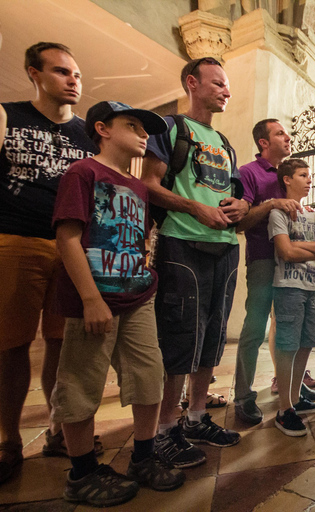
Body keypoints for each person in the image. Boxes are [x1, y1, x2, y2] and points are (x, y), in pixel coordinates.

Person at [51, 101, 184, 506]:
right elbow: (68, 237)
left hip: (136, 294)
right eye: (133, 126)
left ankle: (142, 456)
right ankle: (82, 472)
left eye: (146, 130)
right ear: (103, 129)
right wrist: (90, 298)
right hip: (95, 297)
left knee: (148, 374)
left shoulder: (140, 187)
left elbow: (138, 239)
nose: (145, 135)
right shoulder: (84, 172)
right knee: (81, 383)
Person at [0, 42, 99, 484]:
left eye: (76, 73)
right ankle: (8, 439)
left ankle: (60, 431)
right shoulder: (8, 116)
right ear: (34, 75)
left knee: (63, 345)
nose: (73, 80)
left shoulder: (88, 134)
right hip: (16, 240)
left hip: (70, 248)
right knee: (10, 345)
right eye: (61, 72)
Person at [142, 57, 248, 467]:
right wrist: (194, 209)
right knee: (181, 333)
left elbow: (235, 193)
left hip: (223, 246)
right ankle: (166, 428)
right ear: (192, 83)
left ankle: (197, 416)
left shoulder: (224, 143)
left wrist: (241, 205)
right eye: (218, 83)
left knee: (213, 332)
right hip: (182, 243)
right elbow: (150, 184)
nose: (226, 90)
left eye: (228, 84)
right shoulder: (170, 129)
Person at [234, 118, 313, 425]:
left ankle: (290, 389)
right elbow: (240, 223)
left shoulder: (288, 173)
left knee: (289, 327)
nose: (287, 136)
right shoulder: (249, 173)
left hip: (294, 262)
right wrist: (270, 204)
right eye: (280, 133)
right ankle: (243, 395)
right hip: (265, 260)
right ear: (263, 142)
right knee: (254, 327)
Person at [268, 159, 315, 436]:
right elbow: (286, 252)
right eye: (303, 175)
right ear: (287, 179)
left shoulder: (314, 214)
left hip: (312, 286)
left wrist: (302, 246)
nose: (309, 180)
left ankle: (295, 398)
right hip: (288, 286)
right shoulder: (278, 213)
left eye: (309, 175)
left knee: (306, 342)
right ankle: (284, 409)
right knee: (287, 343)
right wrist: (313, 251)